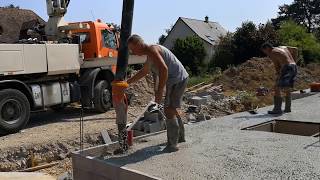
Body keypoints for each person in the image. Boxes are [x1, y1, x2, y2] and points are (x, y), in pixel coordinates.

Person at [126, 34, 189, 152]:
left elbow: (164, 69)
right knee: (172, 108)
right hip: (178, 78)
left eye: (133, 49)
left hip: (176, 79)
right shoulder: (150, 53)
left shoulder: (152, 49)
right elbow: (144, 71)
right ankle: (180, 138)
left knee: (169, 109)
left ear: (139, 44)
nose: (133, 52)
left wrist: (160, 91)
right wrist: (128, 82)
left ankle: (173, 145)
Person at [261, 42, 298, 114]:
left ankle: (277, 109)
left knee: (277, 88)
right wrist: (294, 61)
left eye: (264, 51)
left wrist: (278, 76)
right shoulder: (283, 47)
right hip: (294, 66)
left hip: (286, 67)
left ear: (267, 48)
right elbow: (295, 49)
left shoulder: (272, 52)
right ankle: (287, 108)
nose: (265, 53)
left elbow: (277, 66)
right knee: (287, 88)